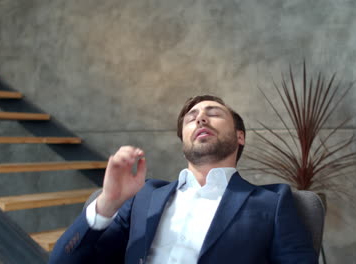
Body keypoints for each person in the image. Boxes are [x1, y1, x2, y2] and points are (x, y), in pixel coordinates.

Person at [49, 95, 317, 264]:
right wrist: (107, 203)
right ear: (183, 141)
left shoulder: (273, 202)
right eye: (192, 118)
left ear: (240, 136)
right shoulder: (145, 195)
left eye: (213, 113)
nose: (200, 117)